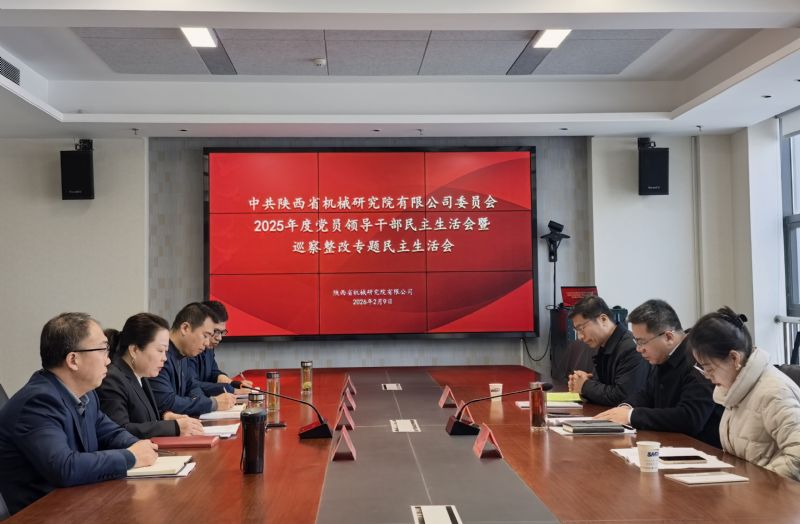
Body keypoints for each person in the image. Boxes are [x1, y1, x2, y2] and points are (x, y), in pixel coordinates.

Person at [0, 313, 157, 515]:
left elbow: (111, 433)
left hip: (77, 505)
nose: (108, 360)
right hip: (41, 514)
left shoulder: (86, 395)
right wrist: (131, 457)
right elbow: (65, 467)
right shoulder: (38, 402)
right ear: (73, 360)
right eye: (102, 350)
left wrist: (140, 446)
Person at [688, 307, 800, 480]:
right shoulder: (735, 390)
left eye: (709, 368)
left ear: (734, 358)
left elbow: (796, 456)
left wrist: (756, 486)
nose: (707, 376)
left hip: (771, 493)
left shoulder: (774, 393)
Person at [596, 299, 723, 447]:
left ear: (668, 337)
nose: (638, 349)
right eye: (636, 342)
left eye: (642, 342)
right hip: (671, 443)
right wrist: (626, 407)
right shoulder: (664, 357)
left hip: (702, 450)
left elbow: (690, 417)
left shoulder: (698, 358)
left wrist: (631, 416)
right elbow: (646, 394)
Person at [96, 313, 205, 438]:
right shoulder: (112, 379)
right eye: (160, 350)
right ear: (134, 350)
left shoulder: (140, 375)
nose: (164, 358)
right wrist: (174, 427)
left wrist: (165, 416)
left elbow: (142, 418)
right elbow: (119, 431)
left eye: (166, 352)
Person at [149, 302, 236, 416]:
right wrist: (212, 403)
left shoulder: (183, 353)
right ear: (185, 328)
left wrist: (204, 403)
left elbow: (192, 387)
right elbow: (167, 402)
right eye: (205, 336)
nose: (206, 343)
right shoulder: (160, 356)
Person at [567, 295, 648, 406]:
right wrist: (584, 380)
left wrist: (585, 386)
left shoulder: (631, 348)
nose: (580, 337)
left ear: (603, 319)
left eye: (581, 329)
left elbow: (624, 397)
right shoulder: (603, 346)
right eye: (576, 331)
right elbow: (605, 386)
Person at [189, 300, 253, 396]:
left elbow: (213, 372)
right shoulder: (188, 349)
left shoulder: (209, 347)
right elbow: (191, 385)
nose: (219, 338)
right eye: (216, 331)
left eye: (222, 332)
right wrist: (231, 390)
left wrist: (232, 383)